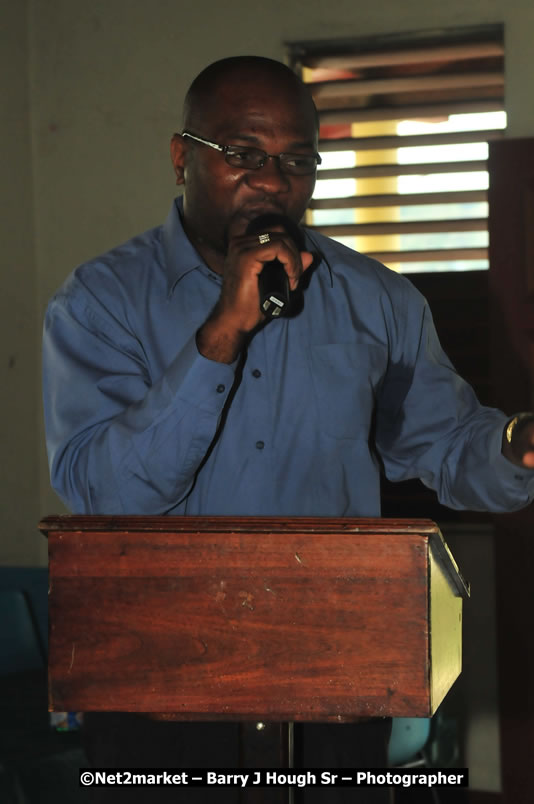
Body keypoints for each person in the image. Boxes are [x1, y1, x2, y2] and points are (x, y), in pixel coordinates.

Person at [42, 56, 534, 803]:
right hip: (159, 689)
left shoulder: (380, 303)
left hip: (335, 683)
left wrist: (517, 445)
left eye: (297, 160)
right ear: (182, 155)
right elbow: (107, 496)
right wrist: (221, 335)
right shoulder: (100, 303)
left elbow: (447, 446)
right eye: (243, 155)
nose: (273, 181)